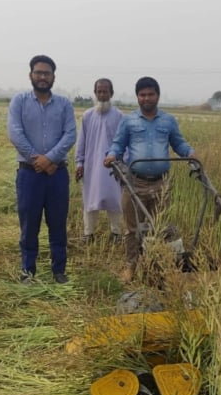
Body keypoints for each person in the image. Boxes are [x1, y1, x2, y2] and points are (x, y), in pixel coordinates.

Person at [103, 76, 196, 284]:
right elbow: (118, 145)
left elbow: (179, 144)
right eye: (142, 95)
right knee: (132, 229)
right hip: (134, 182)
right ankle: (131, 265)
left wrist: (191, 153)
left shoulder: (168, 121)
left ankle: (161, 265)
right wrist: (111, 156)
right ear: (137, 97)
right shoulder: (129, 121)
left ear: (158, 96)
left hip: (161, 184)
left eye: (150, 94)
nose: (146, 98)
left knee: (162, 227)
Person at [7, 54, 76, 284]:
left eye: (47, 73)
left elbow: (70, 135)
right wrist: (38, 159)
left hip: (57, 174)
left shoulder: (64, 104)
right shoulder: (19, 101)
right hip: (29, 173)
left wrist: (50, 159)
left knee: (58, 223)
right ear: (31, 75)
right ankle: (28, 271)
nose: (43, 77)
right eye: (39, 72)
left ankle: (59, 270)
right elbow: (15, 133)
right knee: (29, 224)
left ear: (53, 77)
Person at [74, 78, 123, 244]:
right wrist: (79, 163)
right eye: (99, 91)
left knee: (115, 199)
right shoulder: (88, 116)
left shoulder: (119, 116)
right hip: (91, 166)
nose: (102, 95)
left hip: (113, 167)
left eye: (105, 91)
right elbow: (81, 142)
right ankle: (88, 234)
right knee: (89, 198)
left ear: (111, 93)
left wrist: (123, 165)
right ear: (95, 93)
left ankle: (117, 233)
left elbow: (124, 143)